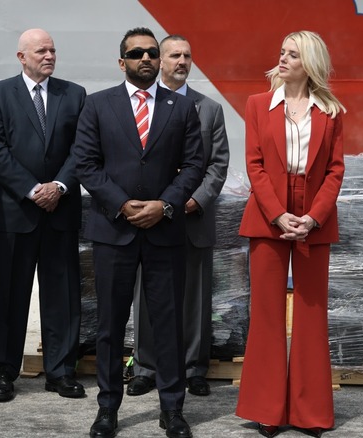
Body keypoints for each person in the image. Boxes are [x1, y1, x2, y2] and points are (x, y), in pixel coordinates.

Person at [73, 27, 204, 438]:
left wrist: (163, 205)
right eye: (136, 53)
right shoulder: (97, 106)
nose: (145, 59)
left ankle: (172, 409)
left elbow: (195, 165)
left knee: (167, 323)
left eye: (151, 52)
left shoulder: (180, 108)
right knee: (111, 325)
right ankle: (108, 408)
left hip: (164, 230)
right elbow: (85, 164)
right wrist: (124, 204)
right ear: (122, 62)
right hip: (114, 230)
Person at [235, 30, 345, 438]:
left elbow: (335, 171)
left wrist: (313, 218)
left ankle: (309, 412)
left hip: (314, 218)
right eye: (281, 51)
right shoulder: (258, 104)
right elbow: (255, 164)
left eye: (292, 54)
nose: (282, 59)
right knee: (265, 314)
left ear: (309, 63)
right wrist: (279, 214)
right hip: (268, 215)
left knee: (311, 316)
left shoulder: (331, 111)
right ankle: (266, 409)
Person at [0, 28, 87, 403]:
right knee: (10, 294)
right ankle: (4, 372)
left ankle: (61, 371)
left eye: (53, 50)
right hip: (14, 210)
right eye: (41, 50)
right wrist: (32, 190)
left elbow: (82, 149)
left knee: (62, 294)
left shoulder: (73, 94)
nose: (49, 56)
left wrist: (57, 187)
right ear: (21, 56)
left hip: (60, 209)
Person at [127, 34, 229, 399]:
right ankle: (146, 367)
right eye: (173, 55)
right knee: (147, 296)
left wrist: (194, 200)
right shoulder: (142, 104)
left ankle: (193, 368)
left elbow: (218, 165)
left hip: (192, 217)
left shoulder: (210, 110)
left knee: (194, 299)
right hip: (150, 217)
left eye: (187, 55)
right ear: (159, 60)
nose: (181, 61)